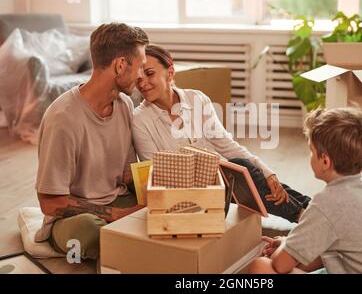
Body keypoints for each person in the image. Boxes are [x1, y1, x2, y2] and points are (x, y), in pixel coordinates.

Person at [132, 44, 310, 223]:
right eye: (138, 79)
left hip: (219, 177)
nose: (143, 84)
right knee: (243, 171)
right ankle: (305, 216)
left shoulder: (197, 99)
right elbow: (156, 173)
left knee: (251, 172)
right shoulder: (139, 119)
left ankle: (310, 209)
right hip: (185, 193)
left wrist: (268, 172)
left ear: (170, 72)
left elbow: (227, 145)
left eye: (149, 74)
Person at [248, 107, 362, 274]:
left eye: (311, 150)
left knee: (260, 267)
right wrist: (290, 244)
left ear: (325, 161)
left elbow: (280, 265)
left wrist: (286, 247)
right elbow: (339, 242)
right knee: (310, 256)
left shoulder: (326, 203)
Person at [35, 23, 149, 261]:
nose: (141, 77)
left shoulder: (124, 104)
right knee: (89, 230)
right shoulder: (63, 118)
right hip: (74, 218)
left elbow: (127, 174)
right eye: (140, 67)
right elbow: (49, 202)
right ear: (120, 65)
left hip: (117, 199)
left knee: (164, 210)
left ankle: (130, 247)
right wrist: (116, 214)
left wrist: (160, 189)